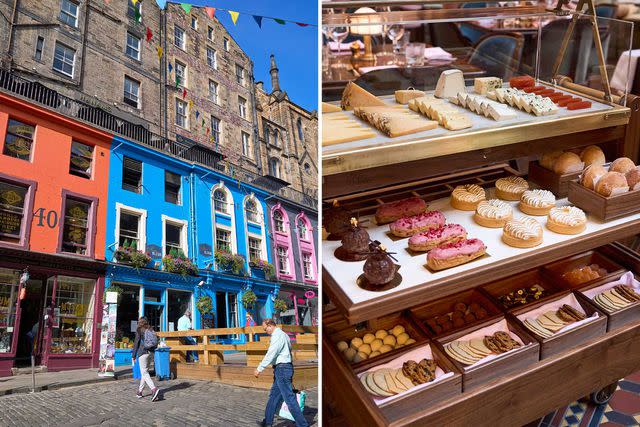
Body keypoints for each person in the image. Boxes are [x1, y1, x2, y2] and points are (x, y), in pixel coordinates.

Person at [254, 319, 308, 427]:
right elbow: (289, 349)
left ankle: (303, 424)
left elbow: (271, 353)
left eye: (265, 329)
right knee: (273, 396)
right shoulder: (284, 335)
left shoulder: (277, 335)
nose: (266, 332)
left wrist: (259, 368)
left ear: (270, 326)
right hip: (282, 368)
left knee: (289, 399)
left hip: (282, 369)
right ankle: (267, 422)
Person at [132, 317, 160, 401]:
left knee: (144, 372)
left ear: (140, 322)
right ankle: (140, 391)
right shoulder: (150, 329)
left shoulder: (139, 329)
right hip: (151, 353)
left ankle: (154, 389)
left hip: (143, 353)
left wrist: (133, 355)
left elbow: (136, 343)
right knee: (145, 372)